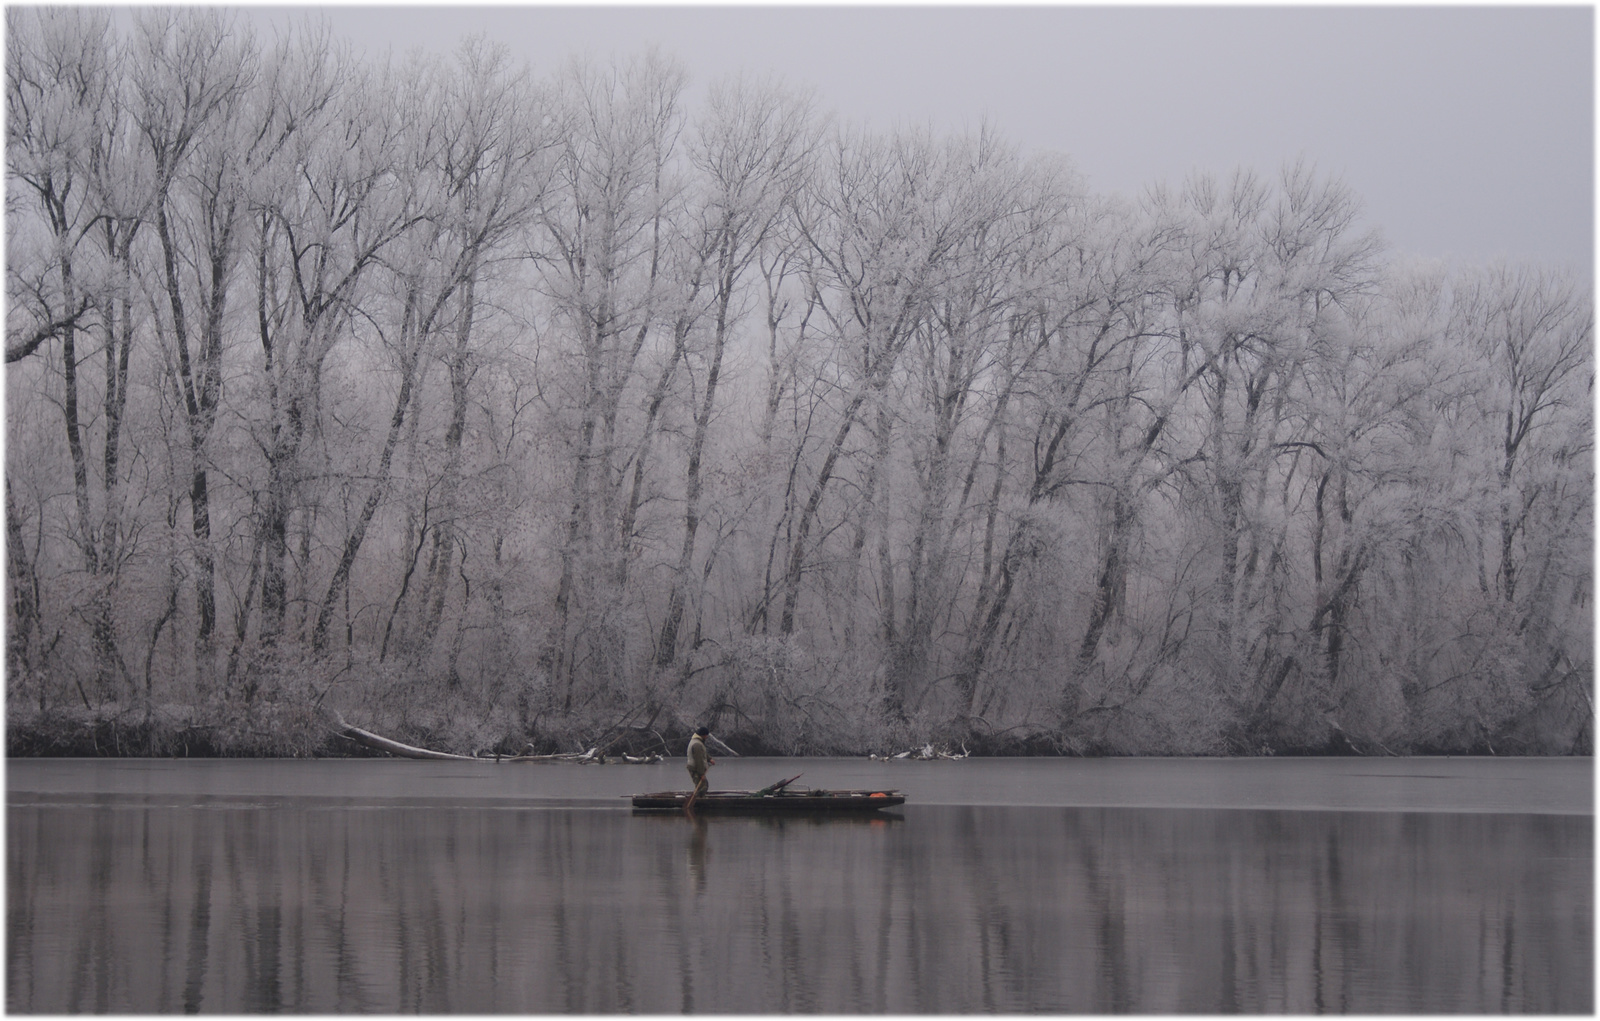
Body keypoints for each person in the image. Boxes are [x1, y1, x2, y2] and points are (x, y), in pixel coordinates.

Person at [685, 726, 715, 809]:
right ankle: (698, 803)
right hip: (695, 768)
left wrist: (709, 759)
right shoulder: (697, 744)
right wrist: (701, 774)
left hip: (695, 767)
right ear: (703, 735)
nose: (707, 737)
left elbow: (703, 753)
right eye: (706, 735)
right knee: (703, 786)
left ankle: (698, 801)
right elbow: (699, 760)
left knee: (701, 785)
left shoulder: (698, 742)